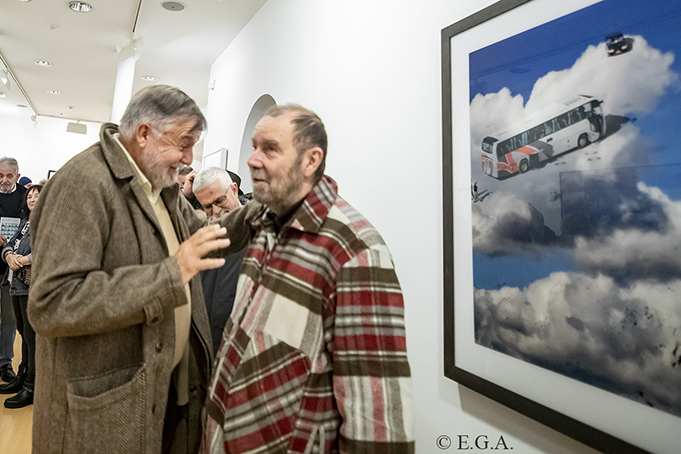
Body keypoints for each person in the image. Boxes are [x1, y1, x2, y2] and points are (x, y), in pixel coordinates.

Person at [28, 85, 235, 453]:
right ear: (143, 134)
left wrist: (268, 211)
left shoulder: (160, 186)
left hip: (163, 397)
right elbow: (51, 303)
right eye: (184, 144)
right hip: (106, 419)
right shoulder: (83, 183)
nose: (190, 158)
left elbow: (209, 232)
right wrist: (170, 275)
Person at [202, 105, 415, 453]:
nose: (253, 160)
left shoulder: (355, 252)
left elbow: (377, 423)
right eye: (254, 147)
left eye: (270, 149)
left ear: (311, 160)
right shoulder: (266, 219)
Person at [192, 167, 247, 353]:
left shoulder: (257, 229)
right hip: (206, 341)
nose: (215, 211)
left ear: (234, 190)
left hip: (239, 341)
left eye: (219, 201)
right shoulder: (202, 234)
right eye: (207, 207)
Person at [0, 184, 42, 408]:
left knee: (31, 336)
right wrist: (9, 256)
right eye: (29, 196)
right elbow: (9, 243)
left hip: (30, 285)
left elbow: (46, 249)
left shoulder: (46, 222)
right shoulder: (25, 222)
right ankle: (22, 376)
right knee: (23, 333)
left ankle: (31, 386)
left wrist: (23, 260)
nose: (32, 199)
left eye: (37, 195)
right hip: (16, 284)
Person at [0, 157, 27, 383]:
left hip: (12, 268)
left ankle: (4, 363)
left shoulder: (25, 197)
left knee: (9, 318)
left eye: (9, 176)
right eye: (0, 175)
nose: (5, 180)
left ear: (17, 175)